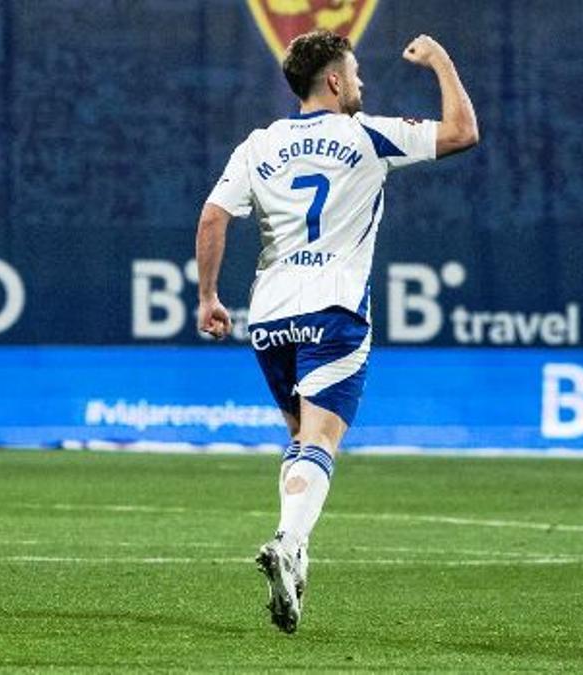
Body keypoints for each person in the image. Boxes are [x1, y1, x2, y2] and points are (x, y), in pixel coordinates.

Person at [194, 30, 478, 633]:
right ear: (333, 81)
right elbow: (461, 132)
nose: (361, 84)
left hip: (270, 316)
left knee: (299, 434)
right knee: (322, 439)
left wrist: (208, 296)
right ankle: (289, 542)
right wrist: (440, 60)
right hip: (335, 310)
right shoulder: (365, 134)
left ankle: (296, 559)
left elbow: (214, 215)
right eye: (355, 74)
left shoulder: (259, 144)